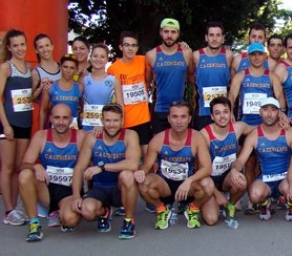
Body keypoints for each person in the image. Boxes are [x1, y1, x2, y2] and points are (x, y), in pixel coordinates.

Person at [64, 103, 141, 239]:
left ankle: (129, 221)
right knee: (87, 212)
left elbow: (133, 164)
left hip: (120, 188)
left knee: (127, 175)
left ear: (122, 121)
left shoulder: (130, 135)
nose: (111, 125)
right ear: (102, 121)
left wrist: (102, 167)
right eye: (108, 120)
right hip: (99, 187)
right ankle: (104, 211)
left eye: (116, 120)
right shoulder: (92, 137)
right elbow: (80, 167)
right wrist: (76, 195)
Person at [134, 100, 214, 230]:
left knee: (208, 184)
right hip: (164, 184)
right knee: (143, 182)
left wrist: (189, 180)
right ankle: (161, 209)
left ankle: (193, 209)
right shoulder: (158, 140)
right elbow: (146, 166)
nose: (179, 121)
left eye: (183, 117)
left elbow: (207, 168)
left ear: (189, 119)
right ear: (169, 119)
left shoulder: (197, 138)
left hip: (188, 185)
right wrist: (140, 171)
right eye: (175, 117)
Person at [18, 104, 86, 242]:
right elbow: (23, 165)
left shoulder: (80, 136)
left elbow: (92, 162)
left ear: (71, 119)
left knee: (70, 220)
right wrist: (35, 166)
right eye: (57, 118)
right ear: (50, 118)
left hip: (69, 191)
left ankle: (59, 212)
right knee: (25, 175)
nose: (61, 122)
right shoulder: (41, 136)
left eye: (65, 118)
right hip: (46, 189)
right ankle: (34, 224)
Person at [228, 97, 292, 221]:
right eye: (265, 109)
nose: (269, 113)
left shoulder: (290, 132)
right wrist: (234, 169)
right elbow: (240, 160)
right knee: (254, 195)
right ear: (260, 112)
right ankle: (266, 204)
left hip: (286, 178)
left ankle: (291, 205)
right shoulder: (254, 135)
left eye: (273, 109)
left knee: (291, 188)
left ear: (279, 113)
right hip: (266, 179)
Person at [0, 29, 39, 225]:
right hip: (8, 123)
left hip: (24, 123)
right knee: (7, 167)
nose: (20, 48)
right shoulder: (5, 68)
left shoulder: (27, 67)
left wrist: (41, 88)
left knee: (18, 167)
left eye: (22, 44)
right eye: (15, 45)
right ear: (9, 47)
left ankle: (15, 208)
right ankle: (8, 209)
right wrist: (5, 124)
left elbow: (28, 97)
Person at [199, 97, 254, 229]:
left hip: (226, 177)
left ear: (230, 114)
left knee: (242, 181)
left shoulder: (238, 128)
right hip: (207, 180)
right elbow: (200, 172)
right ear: (212, 116)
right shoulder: (204, 135)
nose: (222, 116)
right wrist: (217, 195)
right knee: (211, 219)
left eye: (225, 112)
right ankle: (201, 203)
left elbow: (259, 130)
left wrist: (280, 118)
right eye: (217, 113)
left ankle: (230, 206)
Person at [107, 31, 152, 155]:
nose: (130, 49)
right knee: (128, 157)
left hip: (143, 118)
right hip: (125, 120)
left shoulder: (143, 60)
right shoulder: (113, 69)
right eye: (127, 45)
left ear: (137, 48)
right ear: (121, 47)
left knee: (148, 157)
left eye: (133, 45)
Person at [146, 18, 194, 134]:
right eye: (166, 31)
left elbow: (191, 78)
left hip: (180, 110)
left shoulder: (186, 53)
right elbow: (147, 82)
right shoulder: (151, 55)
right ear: (160, 32)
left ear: (178, 34)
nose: (169, 35)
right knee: (159, 146)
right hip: (160, 109)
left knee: (181, 146)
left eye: (173, 32)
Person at [229, 42, 286, 126]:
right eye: (253, 54)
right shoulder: (240, 76)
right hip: (245, 121)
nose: (256, 57)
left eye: (260, 54)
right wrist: (229, 112)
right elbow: (232, 95)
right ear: (248, 56)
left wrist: (282, 111)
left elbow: (280, 95)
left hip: (266, 121)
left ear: (265, 56)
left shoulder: (272, 76)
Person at [192, 21, 234, 130]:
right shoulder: (196, 56)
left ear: (223, 38)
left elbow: (233, 83)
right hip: (203, 110)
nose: (214, 39)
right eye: (211, 35)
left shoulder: (228, 56)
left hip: (223, 111)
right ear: (206, 37)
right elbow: (190, 77)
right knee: (202, 144)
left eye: (218, 35)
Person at [81, 44, 123, 132]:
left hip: (107, 128)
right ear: (90, 57)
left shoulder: (114, 81)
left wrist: (120, 127)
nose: (98, 59)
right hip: (87, 127)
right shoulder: (83, 79)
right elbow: (78, 101)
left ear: (107, 59)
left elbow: (120, 107)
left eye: (102, 57)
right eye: (95, 56)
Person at [32, 34, 61, 102]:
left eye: (47, 45)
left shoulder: (62, 67)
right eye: (41, 47)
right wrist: (40, 88)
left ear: (52, 46)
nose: (45, 49)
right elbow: (31, 98)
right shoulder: (36, 72)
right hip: (46, 111)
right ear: (36, 50)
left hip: (65, 111)